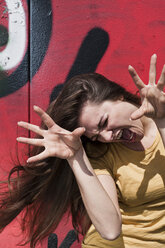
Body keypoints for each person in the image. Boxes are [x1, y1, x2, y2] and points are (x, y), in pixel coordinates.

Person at [0, 54, 165, 248]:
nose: (106, 137)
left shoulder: (161, 115)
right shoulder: (102, 153)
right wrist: (76, 156)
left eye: (104, 123)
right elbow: (110, 230)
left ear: (118, 96)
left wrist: (162, 120)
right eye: (95, 136)